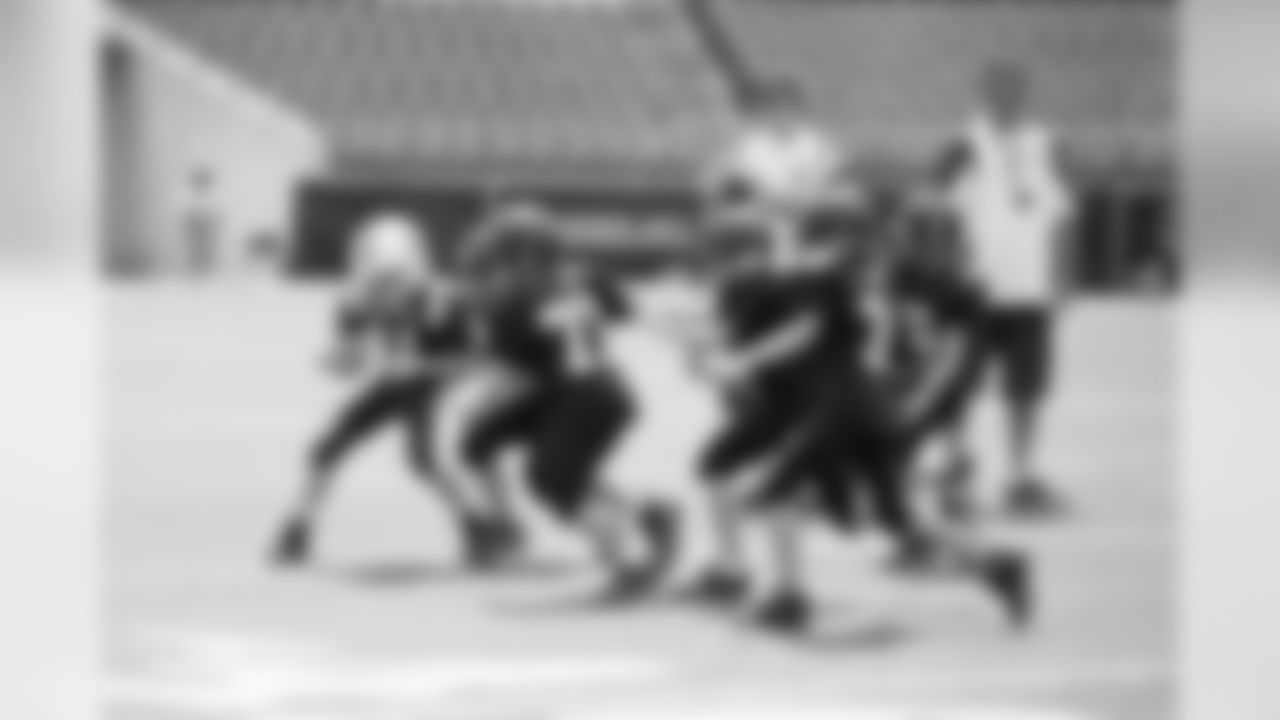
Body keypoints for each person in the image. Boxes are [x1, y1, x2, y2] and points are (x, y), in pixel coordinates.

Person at [270, 212, 485, 568]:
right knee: (325, 451)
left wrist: (424, 367)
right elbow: (349, 357)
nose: (387, 286)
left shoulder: (443, 304)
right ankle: (299, 527)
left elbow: (476, 361)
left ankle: (477, 525)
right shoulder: (356, 303)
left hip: (432, 387)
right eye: (380, 278)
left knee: (425, 461)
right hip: (392, 383)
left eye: (395, 277)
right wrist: (342, 360)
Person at [939, 61, 1075, 518]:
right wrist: (945, 279)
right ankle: (954, 476)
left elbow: (1064, 215)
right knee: (959, 388)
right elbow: (935, 213)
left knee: (1027, 389)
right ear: (981, 95)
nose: (1005, 99)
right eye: (996, 90)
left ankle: (1021, 477)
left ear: (1025, 95)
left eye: (1013, 90)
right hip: (974, 289)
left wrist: (1063, 278)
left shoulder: (1047, 144)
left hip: (1029, 290)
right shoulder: (962, 145)